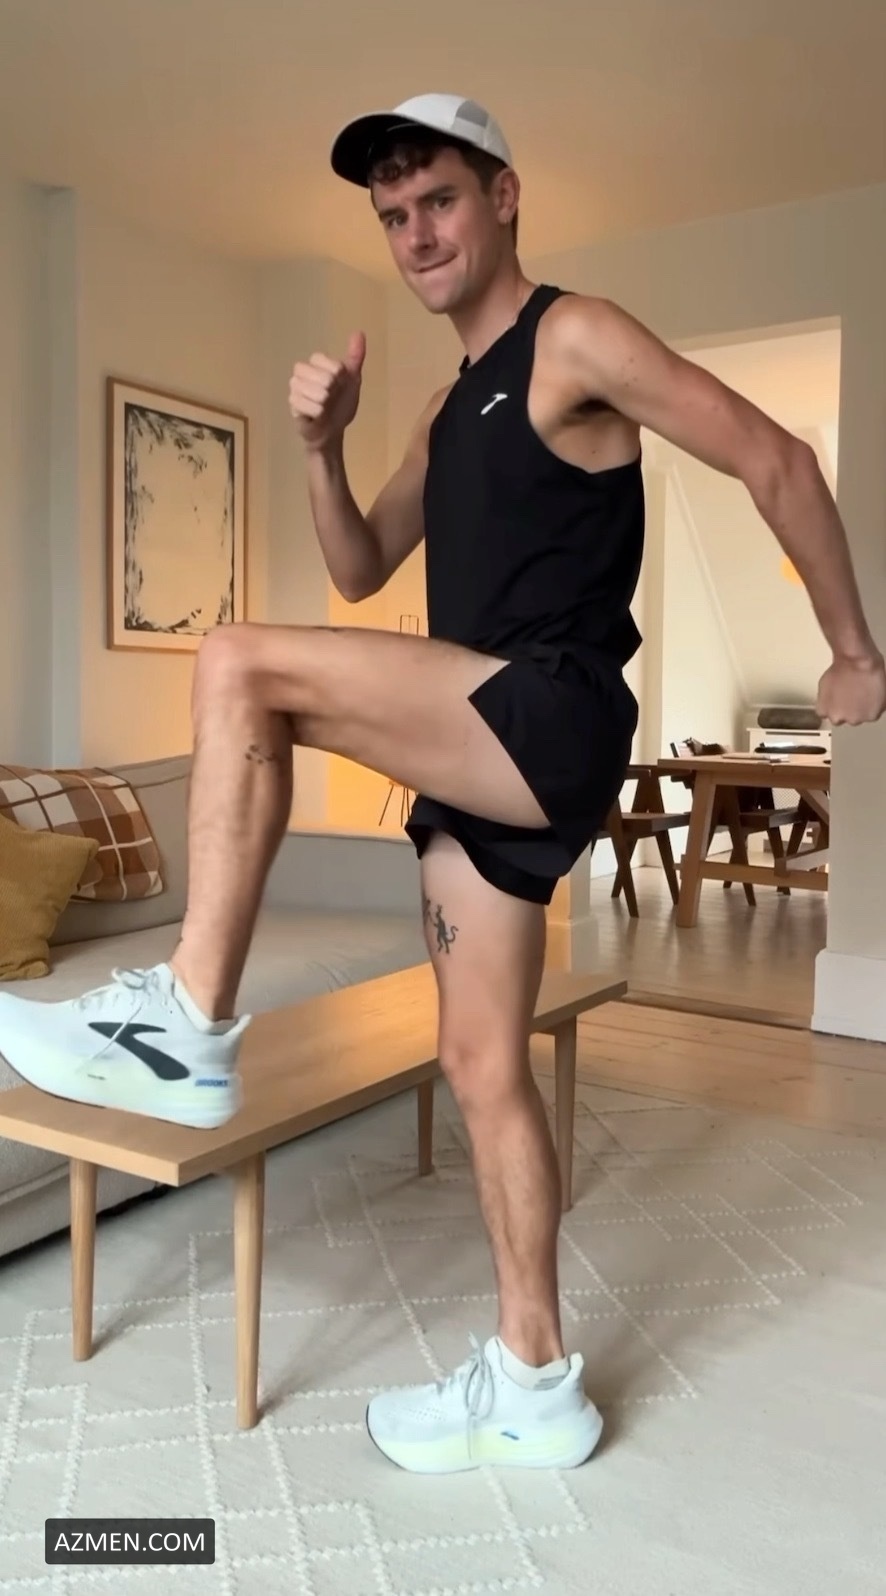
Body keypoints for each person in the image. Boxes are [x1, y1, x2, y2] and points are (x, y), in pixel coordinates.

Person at [1, 92, 884, 1475]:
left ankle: (188, 1020)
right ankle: (535, 1378)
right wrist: (317, 448)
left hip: (547, 712)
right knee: (481, 1066)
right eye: (393, 213)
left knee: (236, 662)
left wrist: (851, 650)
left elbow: (773, 454)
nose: (415, 232)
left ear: (504, 196)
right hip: (480, 750)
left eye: (440, 200)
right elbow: (361, 567)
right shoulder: (447, 405)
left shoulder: (573, 337)